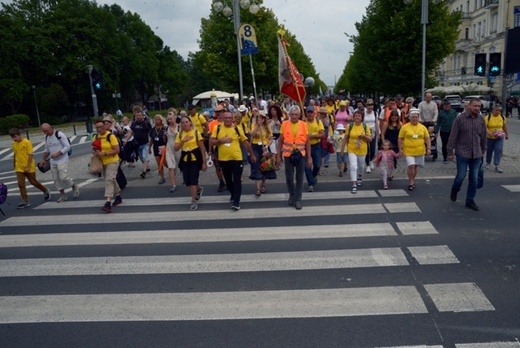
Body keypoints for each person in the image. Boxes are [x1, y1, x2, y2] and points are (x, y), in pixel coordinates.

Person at [210, 109, 256, 211]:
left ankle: (236, 202)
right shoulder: (217, 128)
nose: (228, 120)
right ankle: (233, 194)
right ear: (222, 118)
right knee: (228, 180)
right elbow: (211, 141)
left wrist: (251, 154)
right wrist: (221, 140)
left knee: (237, 179)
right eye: (226, 118)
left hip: (236, 158)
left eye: (230, 118)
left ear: (232, 119)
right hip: (223, 159)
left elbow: (245, 142)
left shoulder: (237, 129)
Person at [447, 98, 487, 211]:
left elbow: (483, 136)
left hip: (477, 154)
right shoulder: (460, 119)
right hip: (462, 153)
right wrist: (450, 152)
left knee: (474, 179)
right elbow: (453, 136)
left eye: (479, 106)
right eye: (475, 106)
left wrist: (483, 150)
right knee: (461, 176)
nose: (477, 108)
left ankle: (470, 200)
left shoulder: (481, 119)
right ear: (468, 106)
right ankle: (455, 190)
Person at [276, 105, 312, 209]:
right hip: (288, 154)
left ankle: (298, 199)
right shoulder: (285, 124)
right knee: (289, 177)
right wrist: (278, 156)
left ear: (300, 115)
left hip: (300, 154)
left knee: (300, 178)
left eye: (296, 114)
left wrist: (309, 157)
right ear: (289, 115)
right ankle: (292, 194)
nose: (294, 116)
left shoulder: (304, 125)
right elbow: (280, 141)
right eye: (292, 114)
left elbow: (307, 143)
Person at [10, 128, 51, 208]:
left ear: (19, 135)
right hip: (19, 167)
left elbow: (30, 155)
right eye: (12, 138)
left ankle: (45, 191)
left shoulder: (27, 142)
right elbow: (15, 154)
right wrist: (14, 164)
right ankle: (25, 200)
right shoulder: (14, 144)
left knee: (33, 182)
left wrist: (28, 166)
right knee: (20, 184)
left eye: (15, 137)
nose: (14, 139)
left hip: (29, 167)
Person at [39, 123, 79, 202]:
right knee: (56, 179)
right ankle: (63, 195)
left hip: (62, 159)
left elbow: (67, 146)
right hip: (52, 161)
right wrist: (43, 159)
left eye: (47, 131)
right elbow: (47, 149)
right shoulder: (47, 137)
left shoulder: (59, 134)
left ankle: (74, 186)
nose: (46, 133)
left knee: (63, 177)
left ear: (50, 127)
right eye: (44, 132)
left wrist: (58, 153)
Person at [174, 116, 207, 211]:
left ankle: (193, 201)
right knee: (187, 181)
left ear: (190, 123)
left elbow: (201, 148)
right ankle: (198, 189)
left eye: (186, 122)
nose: (185, 124)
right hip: (185, 159)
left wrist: (204, 162)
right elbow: (175, 148)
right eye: (183, 122)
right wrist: (182, 141)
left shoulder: (196, 133)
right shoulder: (180, 135)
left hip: (195, 159)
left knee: (193, 179)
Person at [91, 117, 122, 213]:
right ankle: (118, 196)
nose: (99, 129)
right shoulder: (96, 136)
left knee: (109, 179)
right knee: (111, 179)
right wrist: (95, 151)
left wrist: (104, 153)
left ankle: (108, 202)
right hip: (102, 162)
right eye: (97, 127)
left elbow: (117, 150)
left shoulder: (110, 136)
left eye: (101, 126)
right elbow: (93, 147)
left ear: (105, 126)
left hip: (112, 160)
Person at [398, 108, 431, 191]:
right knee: (411, 165)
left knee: (415, 166)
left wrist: (428, 148)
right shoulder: (405, 127)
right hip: (408, 150)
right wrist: (400, 149)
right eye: (413, 117)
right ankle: (411, 182)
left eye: (416, 117)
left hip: (419, 150)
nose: (414, 119)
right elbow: (400, 138)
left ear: (418, 118)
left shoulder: (423, 127)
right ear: (410, 118)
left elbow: (427, 139)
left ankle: (413, 179)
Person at [340, 110, 373, 194]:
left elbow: (370, 139)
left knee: (361, 165)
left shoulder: (366, 126)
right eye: (356, 116)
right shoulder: (349, 126)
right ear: (353, 117)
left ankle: (360, 176)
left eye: (359, 116)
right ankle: (354, 184)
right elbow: (346, 138)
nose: (357, 117)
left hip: (362, 149)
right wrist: (342, 149)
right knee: (353, 166)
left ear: (362, 118)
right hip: (352, 148)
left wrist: (364, 136)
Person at [249, 110, 276, 196]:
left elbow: (271, 138)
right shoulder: (253, 125)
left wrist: (267, 145)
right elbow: (252, 134)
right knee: (256, 165)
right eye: (258, 117)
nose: (260, 119)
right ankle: (257, 188)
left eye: (262, 117)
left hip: (264, 147)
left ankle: (263, 185)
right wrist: (258, 125)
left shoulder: (267, 127)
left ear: (264, 119)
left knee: (265, 166)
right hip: (255, 146)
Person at [124, 110, 151, 179]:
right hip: (137, 144)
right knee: (142, 158)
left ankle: (144, 172)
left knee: (145, 157)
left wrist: (151, 142)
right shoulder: (134, 124)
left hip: (145, 143)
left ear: (142, 116)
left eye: (139, 115)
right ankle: (146, 166)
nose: (138, 117)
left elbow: (151, 132)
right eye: (137, 116)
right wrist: (126, 139)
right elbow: (131, 132)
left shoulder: (146, 123)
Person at [304, 106, 324, 192]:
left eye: (311, 112)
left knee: (317, 165)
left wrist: (312, 136)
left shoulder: (318, 122)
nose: (310, 114)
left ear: (314, 113)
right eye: (308, 112)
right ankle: (311, 184)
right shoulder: (303, 123)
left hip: (316, 146)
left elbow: (322, 134)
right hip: (305, 146)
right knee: (307, 166)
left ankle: (313, 175)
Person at [484, 105, 509, 173]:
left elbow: (504, 126)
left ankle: (497, 165)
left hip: (499, 137)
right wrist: (489, 133)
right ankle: (488, 163)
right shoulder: (488, 117)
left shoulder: (502, 117)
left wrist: (507, 134)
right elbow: (484, 127)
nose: (498, 112)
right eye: (496, 110)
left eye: (499, 110)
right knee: (489, 150)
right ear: (493, 110)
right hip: (490, 137)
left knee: (498, 150)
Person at [148, 114, 167, 185]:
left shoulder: (164, 128)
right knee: (159, 163)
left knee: (165, 162)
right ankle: (162, 177)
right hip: (156, 147)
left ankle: (172, 169)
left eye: (158, 119)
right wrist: (149, 148)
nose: (156, 121)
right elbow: (151, 139)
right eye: (155, 120)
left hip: (163, 147)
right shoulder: (153, 130)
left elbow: (167, 139)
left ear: (161, 120)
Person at [165, 111, 179, 192]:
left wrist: (175, 132)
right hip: (169, 148)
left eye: (171, 119)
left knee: (181, 165)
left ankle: (185, 177)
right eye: (168, 119)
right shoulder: (167, 127)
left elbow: (182, 137)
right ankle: (173, 184)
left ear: (175, 118)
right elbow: (166, 139)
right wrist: (165, 134)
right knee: (170, 167)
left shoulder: (179, 127)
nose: (170, 120)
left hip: (178, 148)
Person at [363, 99, 378, 173]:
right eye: (368, 105)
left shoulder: (375, 113)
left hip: (373, 132)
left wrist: (378, 134)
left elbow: (376, 124)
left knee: (372, 149)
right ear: (366, 106)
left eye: (371, 105)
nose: (370, 107)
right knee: (367, 149)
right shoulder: (363, 113)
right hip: (365, 131)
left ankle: (371, 160)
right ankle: (367, 165)